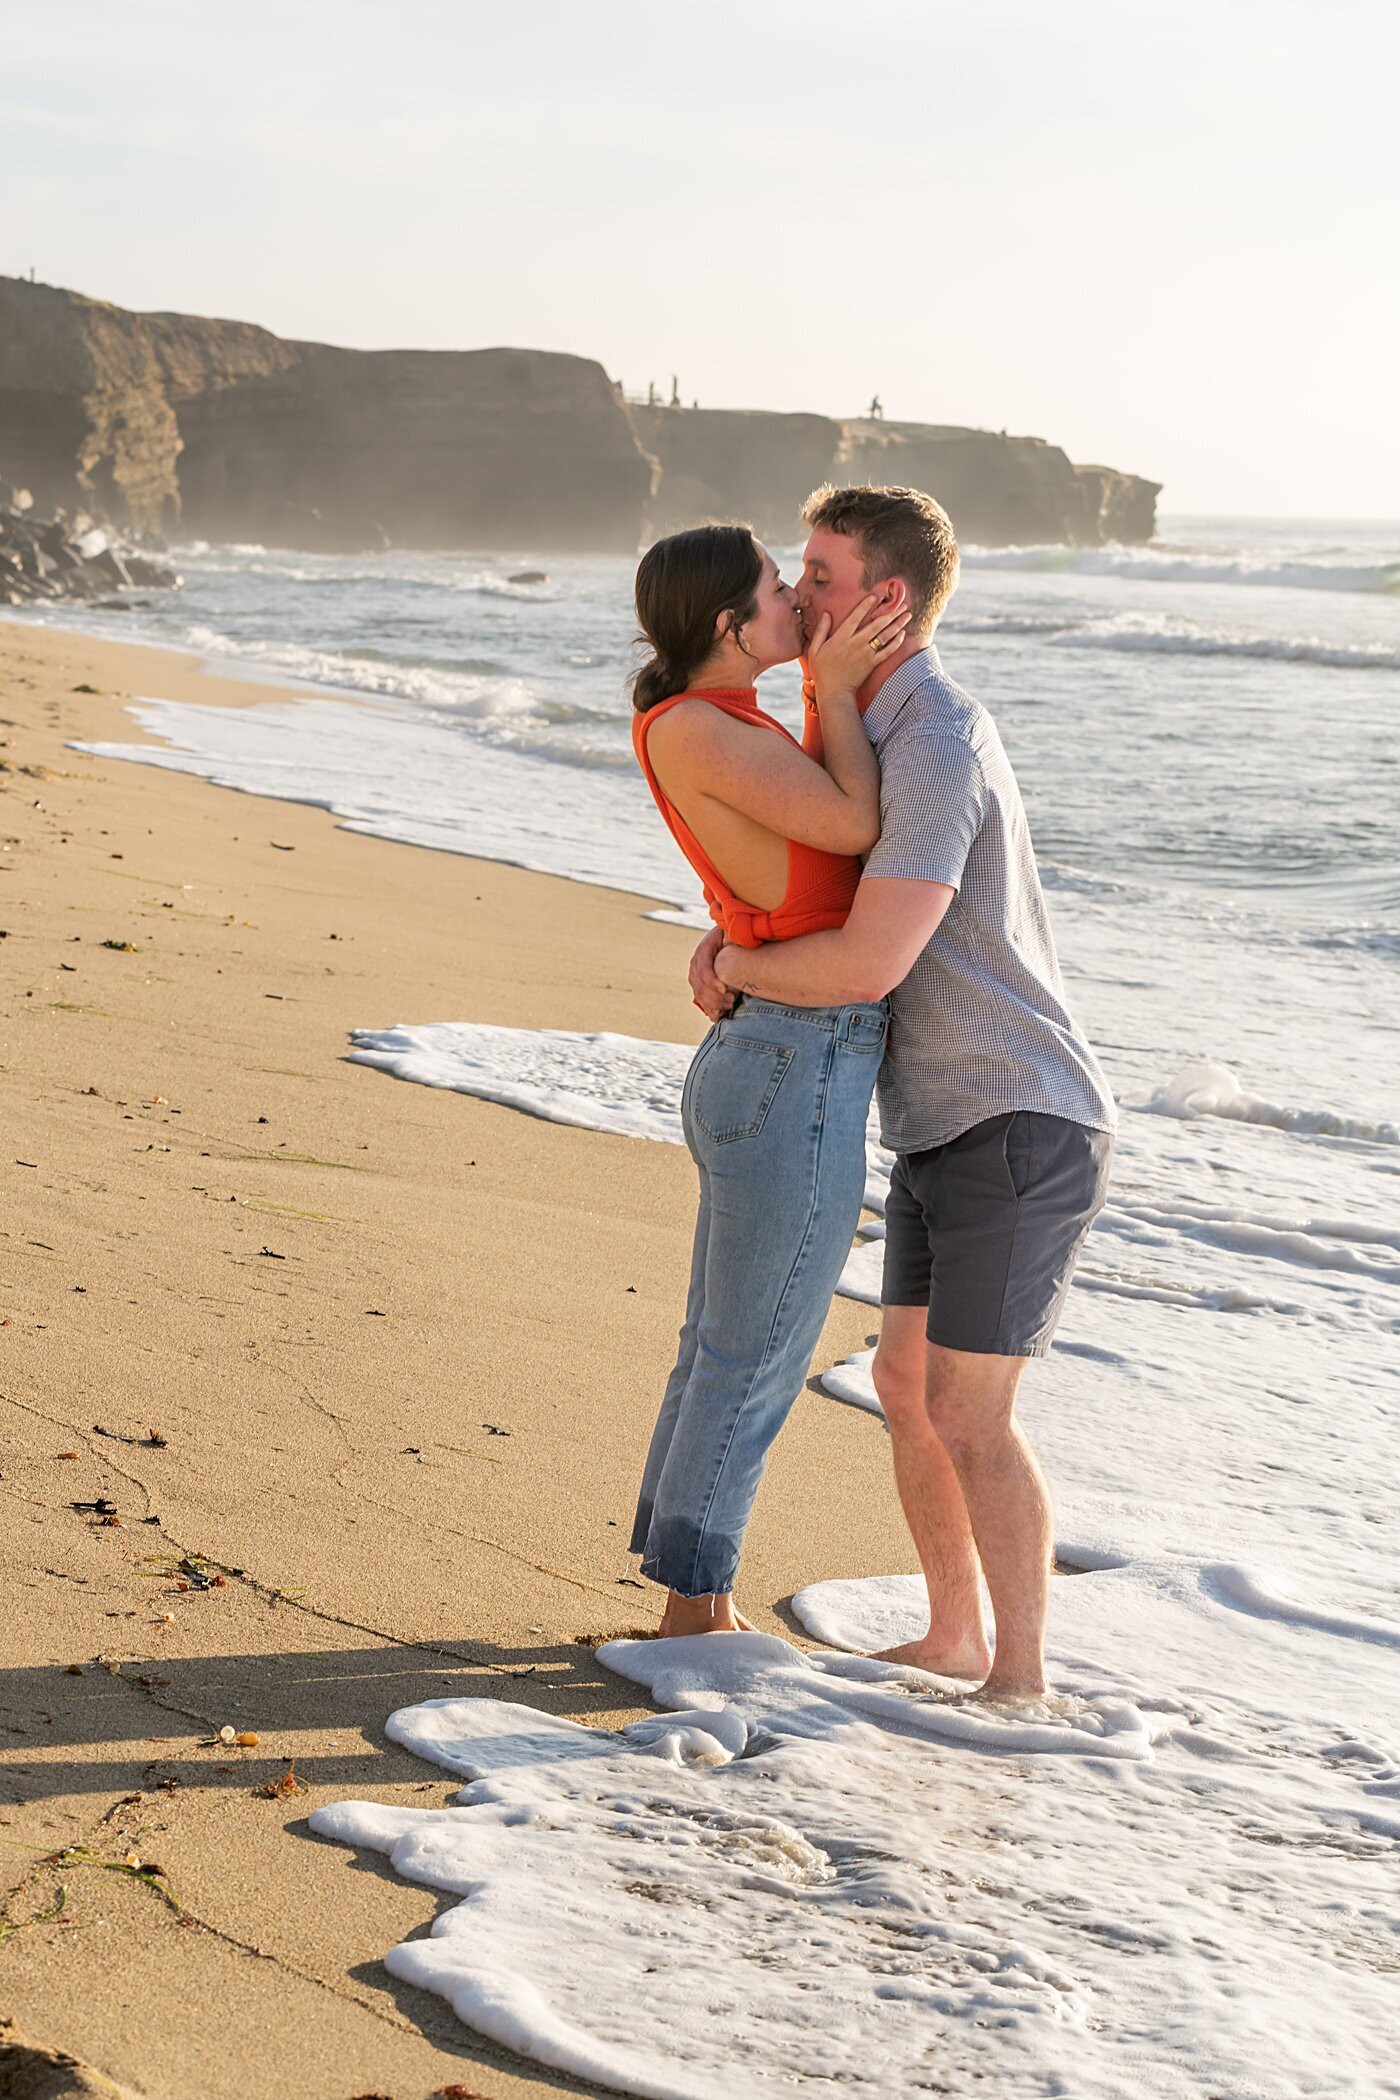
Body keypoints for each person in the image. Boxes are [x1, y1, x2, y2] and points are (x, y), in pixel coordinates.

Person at [691, 485, 1116, 1700]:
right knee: (903, 1385)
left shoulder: (930, 740)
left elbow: (872, 959)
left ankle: (1020, 1681)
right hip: (945, 1119)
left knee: (969, 1409)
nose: (791, 594)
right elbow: (811, 885)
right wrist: (734, 948)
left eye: (816, 577)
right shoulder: (865, 729)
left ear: (882, 598)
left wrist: (735, 972)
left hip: (1018, 1115)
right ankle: (953, 1636)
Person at [628, 523, 910, 1637]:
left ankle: (682, 1582)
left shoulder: (718, 720)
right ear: (725, 626)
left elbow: (786, 859)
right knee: (753, 1351)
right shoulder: (698, 724)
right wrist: (835, 690)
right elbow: (852, 822)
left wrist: (728, 942)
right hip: (791, 1060)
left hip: (777, 1053)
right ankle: (694, 1612)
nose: (798, 598)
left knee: (723, 1342)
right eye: (775, 588)